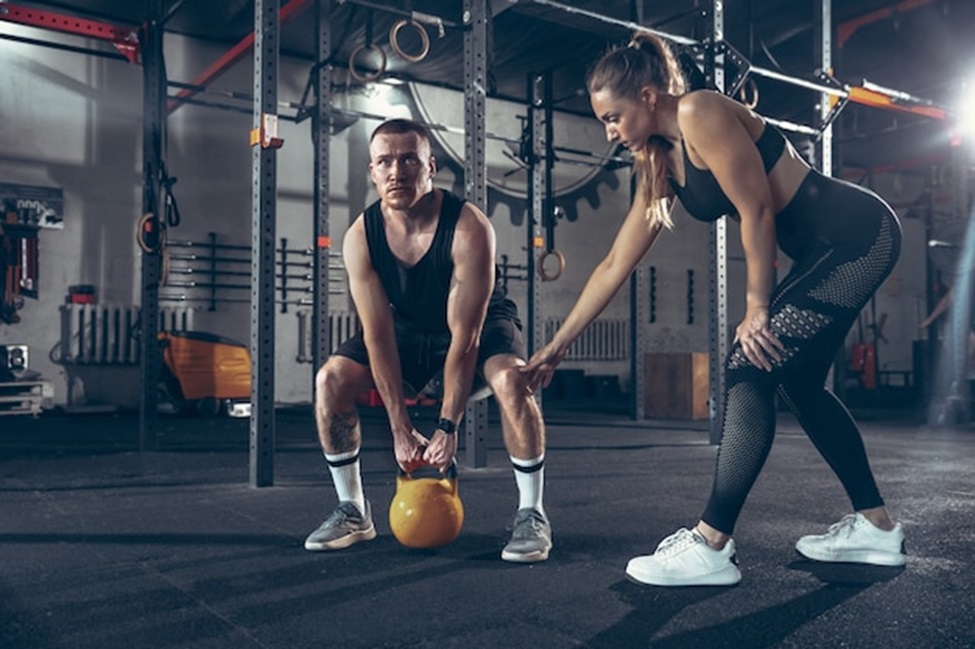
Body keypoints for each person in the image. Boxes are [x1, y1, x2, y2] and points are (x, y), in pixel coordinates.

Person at [522, 33, 905, 586]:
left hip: (857, 236)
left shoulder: (701, 111)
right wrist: (556, 347)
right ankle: (877, 527)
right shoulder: (660, 161)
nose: (609, 132)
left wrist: (756, 308)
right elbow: (613, 264)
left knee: (749, 364)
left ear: (649, 95)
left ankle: (711, 543)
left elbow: (757, 211)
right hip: (828, 252)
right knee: (797, 383)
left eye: (613, 117)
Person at [304, 118, 552, 563]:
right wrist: (400, 429)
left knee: (515, 380)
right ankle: (354, 510)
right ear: (372, 172)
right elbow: (377, 335)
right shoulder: (361, 237)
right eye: (385, 162)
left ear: (430, 167)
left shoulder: (468, 227)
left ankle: (532, 513)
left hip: (479, 324)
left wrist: (447, 425)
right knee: (330, 380)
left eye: (408, 160)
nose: (396, 171)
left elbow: (467, 337)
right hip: (406, 327)